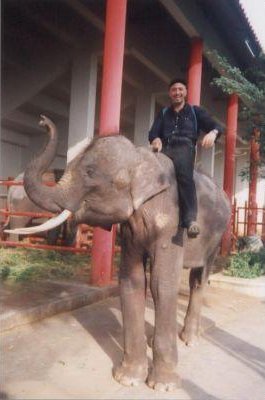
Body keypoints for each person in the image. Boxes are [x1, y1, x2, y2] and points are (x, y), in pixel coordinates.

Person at [149, 78, 223, 238]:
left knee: (184, 175)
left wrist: (213, 133)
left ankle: (189, 220)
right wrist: (155, 139)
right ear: (170, 93)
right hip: (165, 148)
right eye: (174, 90)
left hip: (185, 147)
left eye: (180, 89)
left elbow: (217, 126)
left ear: (185, 92)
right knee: (149, 172)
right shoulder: (162, 113)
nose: (177, 92)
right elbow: (153, 133)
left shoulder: (196, 112)